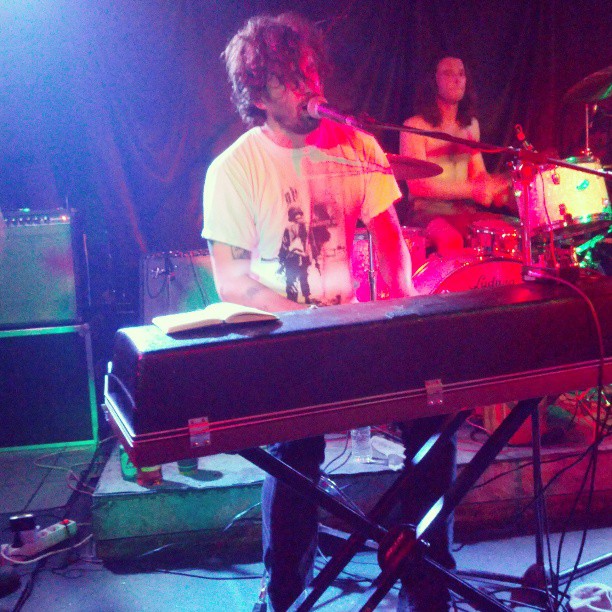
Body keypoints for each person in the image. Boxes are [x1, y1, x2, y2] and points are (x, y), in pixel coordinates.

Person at [202, 13, 453, 611]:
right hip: (284, 342)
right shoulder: (235, 168)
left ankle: (426, 583)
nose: (308, 86)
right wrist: (309, 324)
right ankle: (284, 593)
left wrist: (400, 313)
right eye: (289, 78)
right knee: (296, 451)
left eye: (310, 70)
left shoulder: (356, 145)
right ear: (258, 94)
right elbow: (232, 281)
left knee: (435, 421)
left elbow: (388, 236)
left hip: (355, 334)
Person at [400, 55, 517, 257]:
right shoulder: (414, 126)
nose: (457, 80)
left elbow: (478, 174)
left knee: (511, 232)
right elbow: (418, 186)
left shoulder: (471, 126)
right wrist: (473, 190)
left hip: (464, 211)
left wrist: (498, 185)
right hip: (425, 213)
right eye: (448, 73)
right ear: (433, 81)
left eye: (461, 74)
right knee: (451, 240)